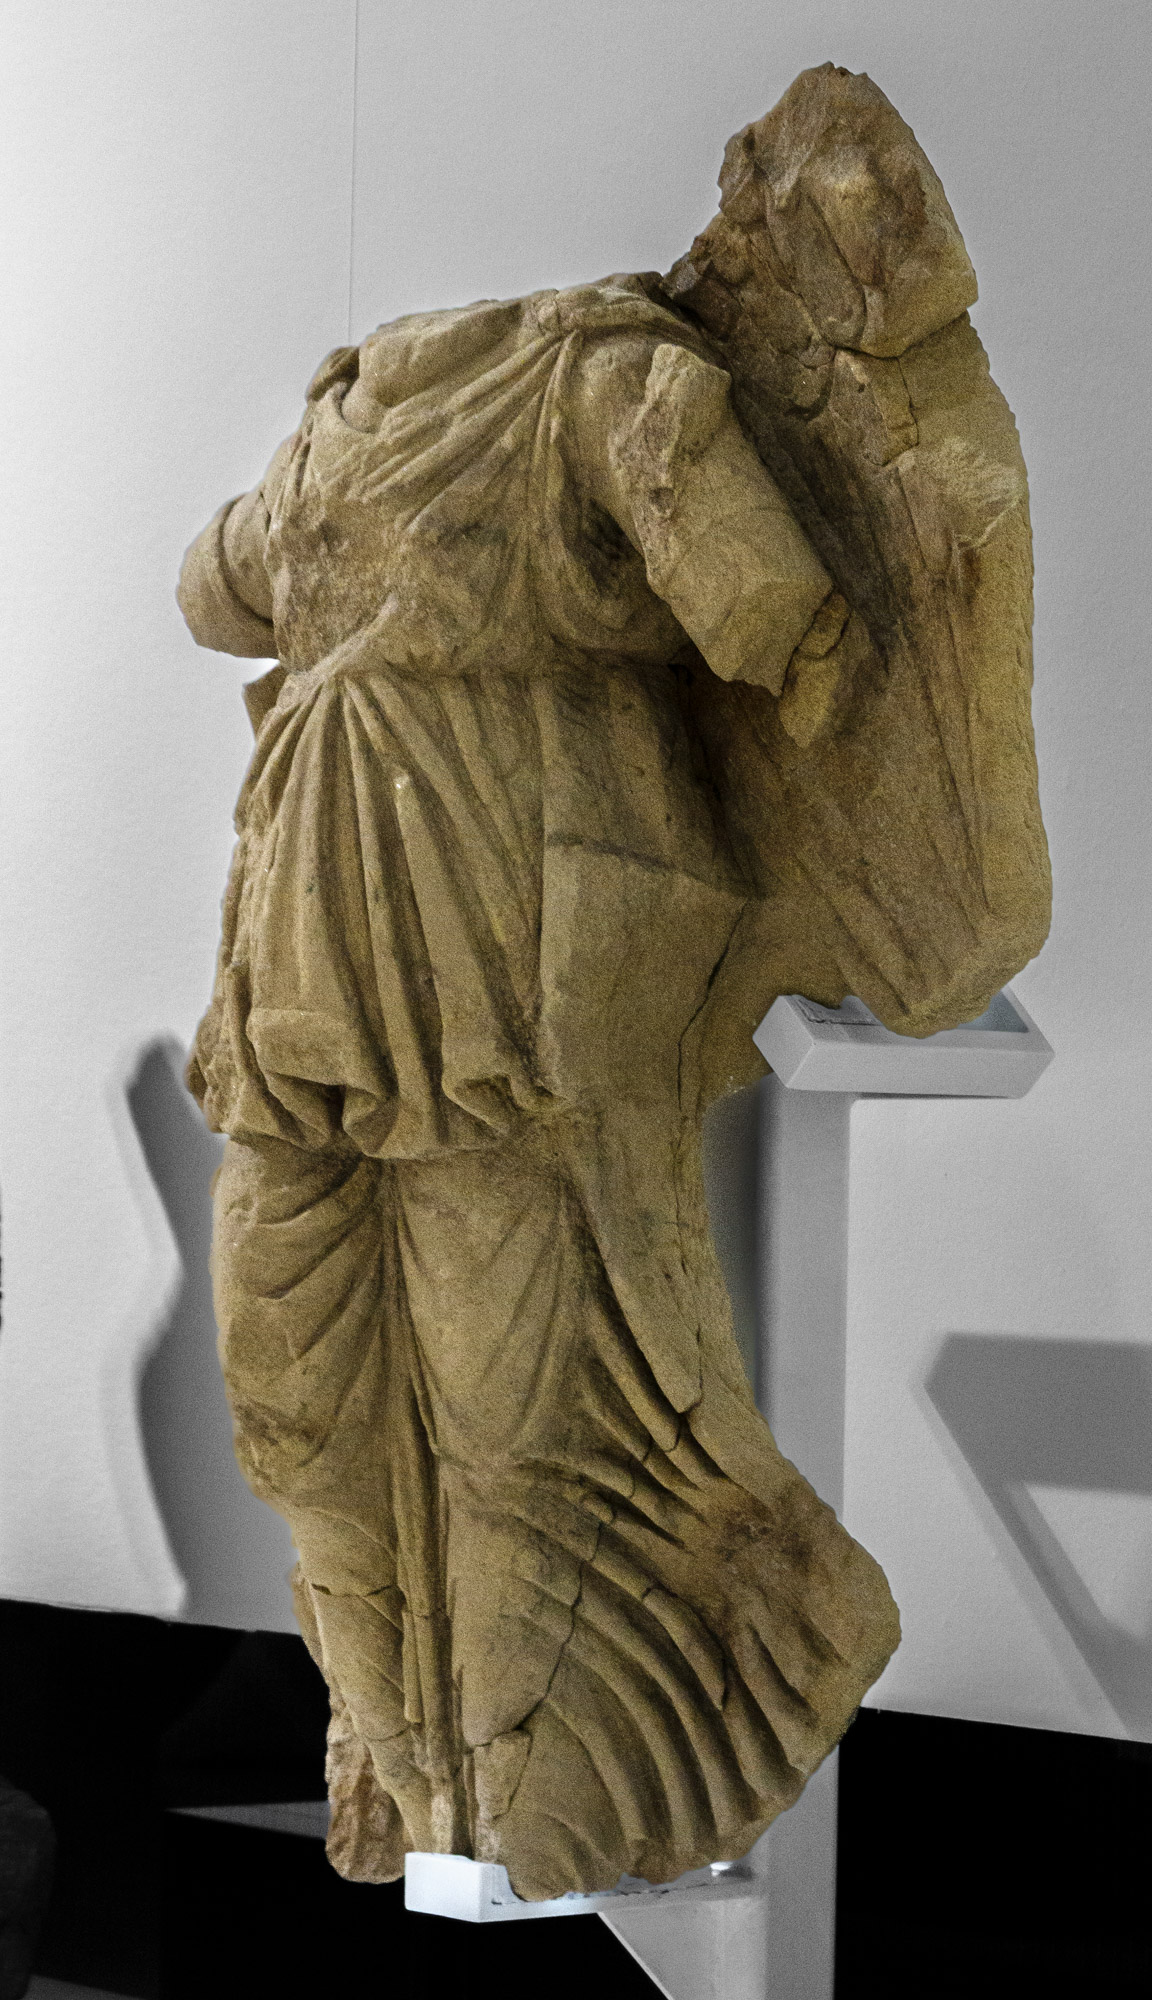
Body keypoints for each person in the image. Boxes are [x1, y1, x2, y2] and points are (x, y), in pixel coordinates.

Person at [177, 275, 898, 1899]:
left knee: (516, 1427)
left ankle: (523, 1798)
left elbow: (772, 606)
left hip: (497, 976)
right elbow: (212, 590)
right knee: (294, 1403)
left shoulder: (598, 384)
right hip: (298, 970)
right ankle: (404, 1761)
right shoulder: (330, 426)